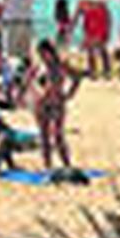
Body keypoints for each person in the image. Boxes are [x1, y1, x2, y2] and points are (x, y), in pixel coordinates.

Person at [24, 38, 83, 173]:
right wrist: (32, 93)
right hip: (42, 103)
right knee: (44, 136)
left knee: (58, 135)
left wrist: (69, 94)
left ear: (50, 52)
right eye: (40, 54)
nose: (43, 56)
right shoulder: (39, 66)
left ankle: (67, 164)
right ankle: (47, 166)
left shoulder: (61, 65)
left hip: (57, 102)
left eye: (44, 53)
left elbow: (77, 78)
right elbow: (26, 81)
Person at [78, 0, 112, 79]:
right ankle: (104, 71)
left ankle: (96, 71)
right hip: (95, 22)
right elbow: (105, 12)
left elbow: (81, 9)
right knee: (99, 47)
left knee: (93, 48)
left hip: (94, 22)